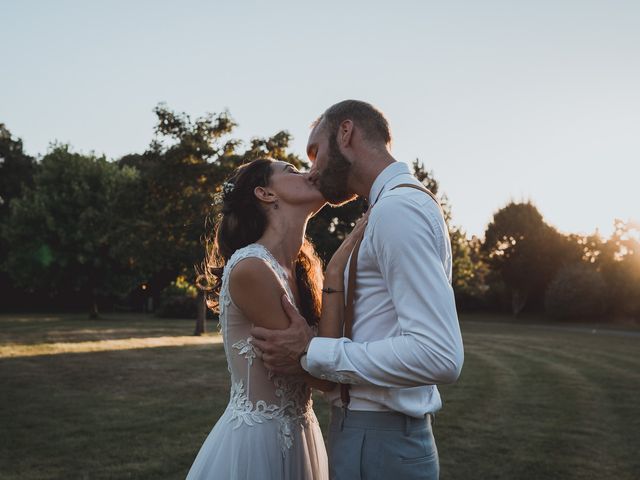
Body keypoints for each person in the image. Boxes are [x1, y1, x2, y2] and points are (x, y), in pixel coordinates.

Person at [250, 100, 465, 480]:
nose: (312, 172)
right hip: (368, 435)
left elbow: (439, 354)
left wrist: (312, 350)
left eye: (315, 153)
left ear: (345, 133)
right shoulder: (390, 208)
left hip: (380, 441)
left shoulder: (398, 210)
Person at [186, 158, 368, 480]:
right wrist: (338, 268)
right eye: (292, 170)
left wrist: (333, 272)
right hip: (259, 444)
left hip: (300, 432)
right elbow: (324, 376)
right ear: (265, 194)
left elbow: (320, 355)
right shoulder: (252, 268)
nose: (309, 173)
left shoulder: (299, 267)